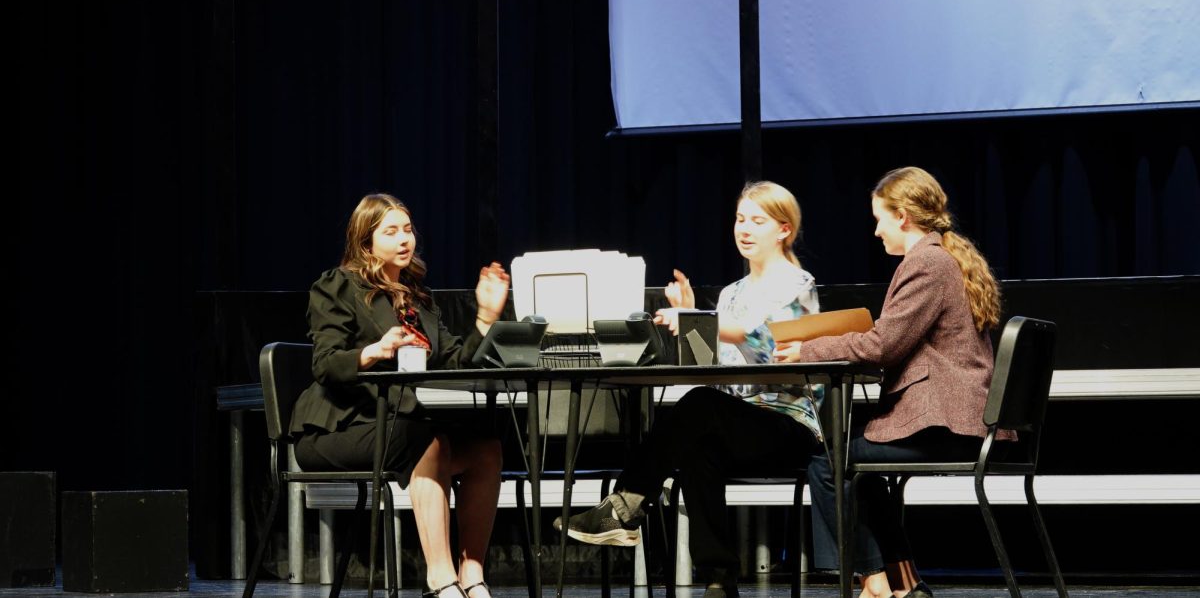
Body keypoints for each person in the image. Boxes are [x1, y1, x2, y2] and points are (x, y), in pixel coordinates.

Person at [557, 181, 824, 598]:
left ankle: (625, 505)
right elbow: (715, 366)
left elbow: (768, 343)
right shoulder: (732, 294)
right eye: (740, 219)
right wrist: (695, 321)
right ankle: (719, 579)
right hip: (739, 421)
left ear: (784, 230)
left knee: (699, 406)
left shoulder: (797, 283)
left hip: (787, 425)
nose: (745, 229)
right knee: (699, 446)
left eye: (758, 220)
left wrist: (697, 316)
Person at [774, 166, 1005, 598]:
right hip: (952, 422)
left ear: (902, 216)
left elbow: (883, 345)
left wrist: (808, 349)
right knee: (857, 468)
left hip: (948, 425)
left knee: (827, 463)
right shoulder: (939, 259)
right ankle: (903, 583)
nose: (877, 232)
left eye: (880, 219)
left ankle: (874, 581)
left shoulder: (928, 264)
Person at [289, 193, 510, 598]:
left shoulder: (419, 299)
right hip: (338, 429)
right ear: (365, 242)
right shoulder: (338, 286)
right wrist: (374, 351)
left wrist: (486, 318)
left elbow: (455, 363)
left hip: (402, 426)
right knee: (428, 439)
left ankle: (472, 574)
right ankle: (440, 579)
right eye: (390, 231)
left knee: (485, 448)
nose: (404, 239)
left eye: (407, 230)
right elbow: (325, 363)